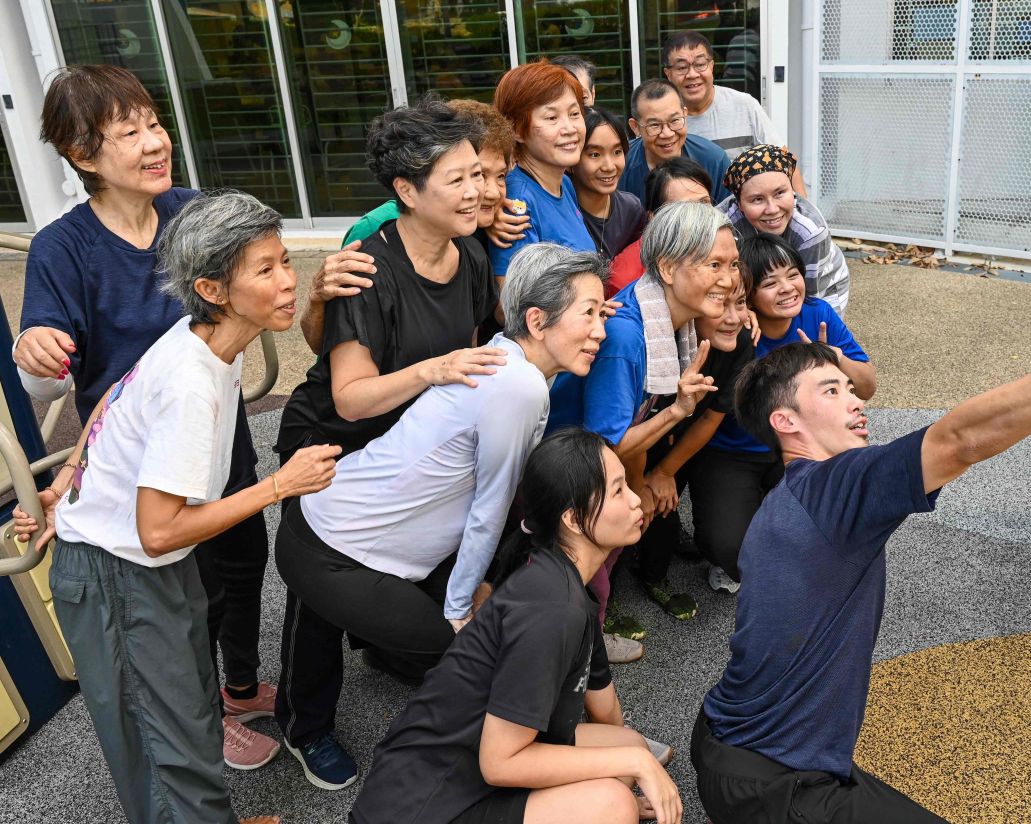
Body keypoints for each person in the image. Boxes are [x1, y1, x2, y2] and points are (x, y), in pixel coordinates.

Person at [693, 253, 1031, 822]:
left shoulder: (791, 497)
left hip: (733, 741)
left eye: (849, 388)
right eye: (831, 391)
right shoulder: (833, 490)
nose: (856, 400)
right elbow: (961, 439)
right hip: (770, 782)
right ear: (785, 422)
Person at [13, 191, 340, 824]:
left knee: (188, 715)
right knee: (167, 746)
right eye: (266, 269)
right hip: (122, 575)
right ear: (213, 288)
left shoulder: (200, 339)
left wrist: (71, 483)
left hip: (139, 568)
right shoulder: (194, 382)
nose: (287, 282)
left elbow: (111, 400)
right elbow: (159, 532)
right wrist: (279, 484)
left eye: (283, 261)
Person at [15, 64, 281, 768]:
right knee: (193, 595)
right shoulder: (62, 247)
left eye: (154, 124)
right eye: (128, 133)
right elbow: (44, 383)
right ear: (81, 155)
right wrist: (32, 349)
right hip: (137, 464)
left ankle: (240, 688)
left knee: (245, 559)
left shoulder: (193, 213)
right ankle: (200, 716)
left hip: (218, 435)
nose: (154, 142)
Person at [273, 245, 608, 791]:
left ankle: (394, 655)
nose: (600, 328)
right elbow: (490, 508)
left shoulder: (514, 361)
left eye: (603, 312)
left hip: (357, 529)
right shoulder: (517, 384)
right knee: (466, 652)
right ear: (537, 320)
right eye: (588, 312)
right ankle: (455, 775)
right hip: (332, 546)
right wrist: (459, 609)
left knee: (458, 629)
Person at [349, 428, 682, 824]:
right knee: (614, 803)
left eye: (627, 484)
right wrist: (627, 780)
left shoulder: (569, 585)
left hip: (474, 765)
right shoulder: (552, 609)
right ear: (573, 520)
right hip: (424, 805)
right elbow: (499, 763)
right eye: (616, 491)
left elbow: (606, 712)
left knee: (626, 752)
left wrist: (632, 764)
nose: (633, 500)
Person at [275, 97, 502, 465]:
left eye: (476, 174)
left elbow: (468, 357)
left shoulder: (472, 256)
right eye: (457, 179)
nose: (476, 191)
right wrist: (435, 370)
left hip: (413, 442)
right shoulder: (364, 270)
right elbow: (350, 400)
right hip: (335, 450)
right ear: (407, 190)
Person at [548, 201, 735, 634]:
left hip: (593, 462)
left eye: (732, 264)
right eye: (713, 264)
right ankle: (586, 641)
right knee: (583, 569)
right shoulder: (627, 335)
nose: (728, 280)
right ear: (667, 268)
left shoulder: (670, 320)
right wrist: (676, 413)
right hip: (566, 474)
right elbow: (603, 447)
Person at [688, 234, 874, 593]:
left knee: (825, 533)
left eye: (793, 275)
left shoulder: (817, 313)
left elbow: (866, 386)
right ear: (748, 296)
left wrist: (834, 358)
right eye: (770, 283)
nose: (787, 289)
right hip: (730, 451)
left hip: (799, 448)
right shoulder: (733, 327)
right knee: (730, 549)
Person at [299, 100, 520, 355]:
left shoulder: (472, 247)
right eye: (457, 178)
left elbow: (466, 346)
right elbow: (333, 359)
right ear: (406, 190)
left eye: (491, 175)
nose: (484, 191)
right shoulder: (370, 247)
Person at [636, 261, 755, 597]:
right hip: (646, 433)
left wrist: (665, 472)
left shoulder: (741, 343)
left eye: (742, 303)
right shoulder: (663, 339)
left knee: (666, 502)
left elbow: (710, 418)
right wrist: (649, 476)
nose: (733, 318)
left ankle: (654, 572)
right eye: (720, 303)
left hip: (689, 438)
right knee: (640, 501)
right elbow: (636, 424)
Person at [661, 30, 807, 196]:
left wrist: (806, 215)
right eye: (681, 67)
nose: (692, 74)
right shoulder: (665, 119)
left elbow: (783, 160)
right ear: (668, 74)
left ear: (711, 66)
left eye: (700, 64)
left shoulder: (744, 105)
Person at [490, 61, 594, 285]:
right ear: (516, 129)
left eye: (575, 113)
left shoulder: (564, 183)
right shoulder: (517, 202)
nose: (569, 128)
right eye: (551, 118)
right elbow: (510, 306)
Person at [720, 144, 851, 314]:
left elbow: (808, 299)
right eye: (757, 199)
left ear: (793, 191)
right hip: (757, 289)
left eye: (780, 193)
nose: (772, 209)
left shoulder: (811, 232)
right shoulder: (723, 226)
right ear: (739, 204)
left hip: (822, 286)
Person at [607, 156, 714, 297]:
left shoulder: (724, 249)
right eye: (684, 208)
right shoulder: (625, 280)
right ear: (654, 217)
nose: (699, 215)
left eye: (704, 203)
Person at [618, 79, 730, 206]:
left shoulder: (713, 160)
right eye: (654, 125)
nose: (667, 134)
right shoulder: (620, 163)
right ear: (635, 127)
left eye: (675, 120)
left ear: (685, 114)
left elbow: (727, 218)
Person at [571, 107, 646, 260]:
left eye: (617, 152)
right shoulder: (562, 211)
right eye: (595, 154)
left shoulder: (631, 209)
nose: (609, 166)